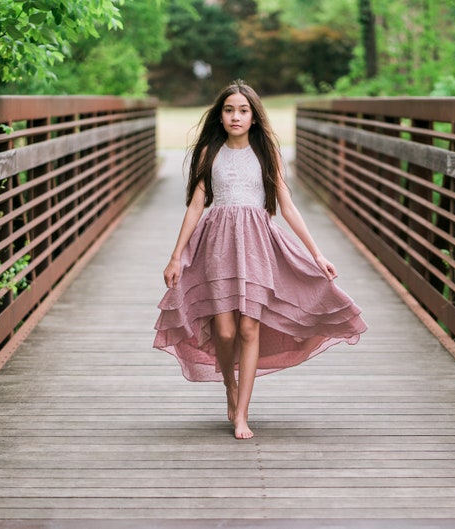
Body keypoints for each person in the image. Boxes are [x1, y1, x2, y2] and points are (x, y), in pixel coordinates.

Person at [154, 80, 367, 439]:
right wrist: (175, 257)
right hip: (217, 246)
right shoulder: (210, 152)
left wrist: (317, 253)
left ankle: (242, 413)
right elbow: (195, 205)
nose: (235, 116)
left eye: (243, 110)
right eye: (228, 110)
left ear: (253, 117)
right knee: (224, 329)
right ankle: (229, 386)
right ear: (220, 116)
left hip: (256, 245)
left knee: (249, 327)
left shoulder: (266, 154)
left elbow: (287, 206)